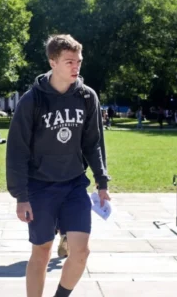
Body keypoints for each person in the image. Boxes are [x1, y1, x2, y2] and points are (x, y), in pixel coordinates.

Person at [6, 34, 110, 297]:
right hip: (40, 187)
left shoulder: (87, 98)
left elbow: (94, 143)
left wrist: (101, 181)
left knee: (81, 252)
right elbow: (16, 150)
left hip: (74, 185)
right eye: (69, 62)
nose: (76, 67)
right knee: (42, 251)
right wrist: (21, 196)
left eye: (78, 61)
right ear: (53, 62)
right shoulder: (33, 101)